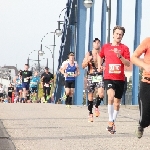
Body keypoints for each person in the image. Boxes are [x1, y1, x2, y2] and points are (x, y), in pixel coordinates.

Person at [98, 25, 130, 134]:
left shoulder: (124, 48)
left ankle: (111, 123)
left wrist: (120, 56)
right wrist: (99, 65)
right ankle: (110, 122)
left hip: (120, 78)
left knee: (117, 103)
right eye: (117, 33)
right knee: (110, 96)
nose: (118, 36)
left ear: (122, 36)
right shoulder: (106, 47)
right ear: (113, 34)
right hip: (109, 77)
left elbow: (128, 63)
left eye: (120, 34)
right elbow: (100, 56)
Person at [131, 37, 150, 138]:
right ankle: (141, 125)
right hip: (147, 82)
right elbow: (133, 57)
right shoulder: (147, 41)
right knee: (145, 118)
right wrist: (144, 65)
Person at [82, 38, 104, 122]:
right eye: (95, 43)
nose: (97, 44)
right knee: (90, 96)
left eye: (99, 43)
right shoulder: (89, 53)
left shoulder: (102, 53)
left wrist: (103, 67)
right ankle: (90, 114)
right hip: (91, 75)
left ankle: (97, 106)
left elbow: (106, 63)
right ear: (93, 44)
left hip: (99, 75)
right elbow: (83, 66)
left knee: (101, 94)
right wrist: (88, 60)